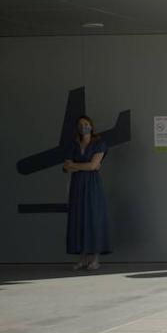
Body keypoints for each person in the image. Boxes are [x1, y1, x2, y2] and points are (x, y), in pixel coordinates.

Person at [63, 116, 112, 271]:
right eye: (80, 125)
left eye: (86, 124)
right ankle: (82, 258)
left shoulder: (99, 143)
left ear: (91, 125)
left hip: (92, 185)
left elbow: (93, 166)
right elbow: (66, 167)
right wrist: (85, 166)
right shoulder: (73, 145)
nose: (83, 126)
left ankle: (95, 259)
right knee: (78, 218)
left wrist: (76, 165)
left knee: (93, 218)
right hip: (77, 186)